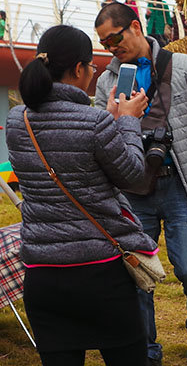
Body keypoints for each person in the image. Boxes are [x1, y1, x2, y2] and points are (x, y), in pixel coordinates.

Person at [94, 3, 187, 366]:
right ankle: (146, 350)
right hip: (131, 191)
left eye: (114, 37)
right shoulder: (107, 82)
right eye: (104, 43)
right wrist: (110, 117)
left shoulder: (186, 66)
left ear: (136, 27)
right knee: (135, 275)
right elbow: (98, 140)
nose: (111, 47)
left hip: (180, 185)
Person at [5, 25, 154, 366]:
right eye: (91, 64)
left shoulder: (17, 120)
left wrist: (110, 123)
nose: (95, 70)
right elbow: (132, 176)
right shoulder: (96, 122)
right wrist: (127, 122)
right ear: (76, 69)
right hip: (100, 274)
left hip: (42, 275)